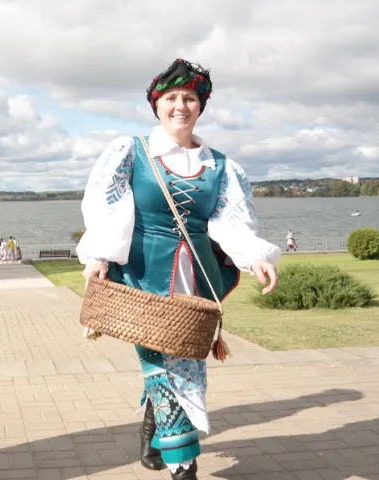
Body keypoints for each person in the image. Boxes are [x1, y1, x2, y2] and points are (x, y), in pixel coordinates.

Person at [76, 58, 281, 479]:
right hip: (141, 276)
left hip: (195, 280)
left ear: (200, 106)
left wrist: (256, 256)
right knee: (166, 369)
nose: (180, 106)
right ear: (156, 105)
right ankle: (182, 467)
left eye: (189, 98)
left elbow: (229, 221)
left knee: (185, 359)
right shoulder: (129, 151)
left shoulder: (221, 166)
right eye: (170, 98)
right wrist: (98, 255)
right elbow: (107, 207)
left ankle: (152, 424)